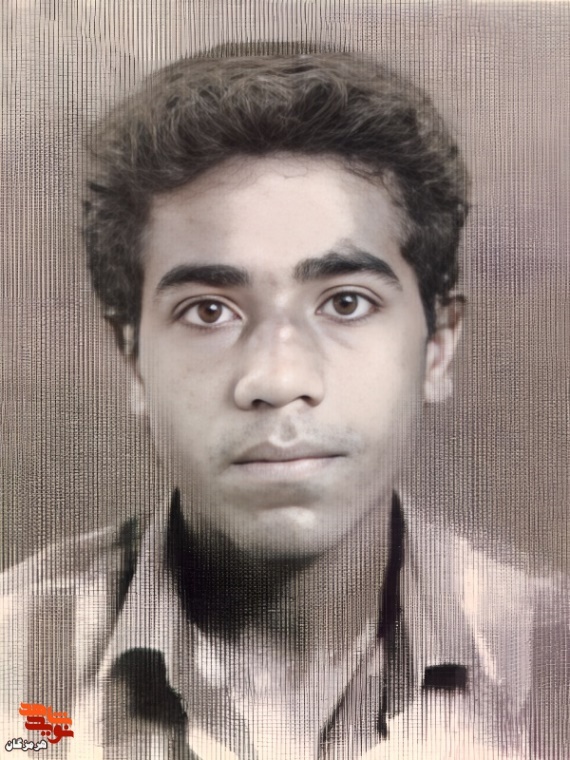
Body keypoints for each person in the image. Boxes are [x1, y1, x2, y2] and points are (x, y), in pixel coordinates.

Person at [1, 47, 567, 760]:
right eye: (209, 311)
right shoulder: (13, 670)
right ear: (133, 359)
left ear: (437, 347)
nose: (277, 377)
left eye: (346, 302)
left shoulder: (554, 666)